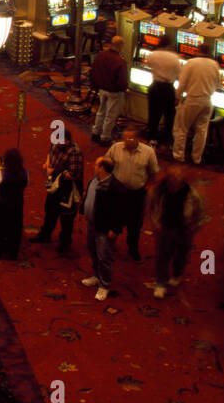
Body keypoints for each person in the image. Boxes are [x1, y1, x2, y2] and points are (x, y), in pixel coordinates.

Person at [147, 167, 202, 299]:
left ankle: (177, 273)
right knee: (162, 256)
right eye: (171, 177)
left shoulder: (191, 193)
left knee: (181, 255)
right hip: (164, 228)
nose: (174, 180)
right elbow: (151, 206)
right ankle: (161, 283)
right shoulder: (159, 190)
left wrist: (193, 227)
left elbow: (199, 212)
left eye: (177, 177)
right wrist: (155, 223)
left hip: (184, 229)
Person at [105, 128, 159, 261]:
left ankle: (133, 248)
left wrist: (147, 187)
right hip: (117, 192)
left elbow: (154, 172)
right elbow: (106, 164)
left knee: (135, 224)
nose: (126, 141)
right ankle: (109, 246)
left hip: (136, 194)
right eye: (125, 138)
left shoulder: (148, 152)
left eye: (130, 138)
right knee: (113, 219)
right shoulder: (115, 148)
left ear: (138, 139)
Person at [80, 157, 126, 301]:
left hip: (105, 228)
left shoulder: (115, 187)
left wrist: (115, 229)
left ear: (102, 168)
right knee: (93, 251)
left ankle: (104, 285)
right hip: (92, 223)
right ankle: (96, 276)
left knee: (104, 256)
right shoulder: (94, 180)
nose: (93, 167)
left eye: (96, 165)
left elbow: (121, 210)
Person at [32, 125, 84, 253]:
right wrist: (47, 163)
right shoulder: (56, 144)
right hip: (54, 186)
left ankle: (65, 242)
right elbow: (50, 154)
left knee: (66, 217)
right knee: (50, 211)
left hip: (67, 190)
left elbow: (73, 174)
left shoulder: (75, 152)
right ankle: (45, 235)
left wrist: (54, 171)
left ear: (68, 140)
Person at [173, 53, 220, 164]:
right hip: (207, 100)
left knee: (182, 128)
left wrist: (177, 96)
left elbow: (182, 82)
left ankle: (178, 156)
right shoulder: (215, 65)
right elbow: (217, 84)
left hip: (192, 99)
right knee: (202, 131)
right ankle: (196, 158)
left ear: (198, 51)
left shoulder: (191, 62)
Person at [0, 148, 29, 260]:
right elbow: (26, 184)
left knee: (0, 229)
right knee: (15, 230)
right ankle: (13, 252)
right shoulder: (25, 173)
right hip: (17, 206)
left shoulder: (0, 174)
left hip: (3, 206)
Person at [90, 36, 129, 145]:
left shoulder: (101, 55)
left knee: (101, 111)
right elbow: (122, 80)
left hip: (102, 88)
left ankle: (95, 132)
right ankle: (105, 137)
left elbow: (94, 70)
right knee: (110, 115)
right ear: (120, 46)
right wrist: (124, 89)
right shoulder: (120, 61)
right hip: (114, 92)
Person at [144, 44, 181, 147]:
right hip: (168, 87)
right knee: (169, 116)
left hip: (155, 86)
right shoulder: (175, 58)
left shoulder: (153, 54)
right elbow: (179, 72)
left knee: (153, 114)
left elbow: (147, 64)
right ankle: (166, 139)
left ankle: (152, 138)